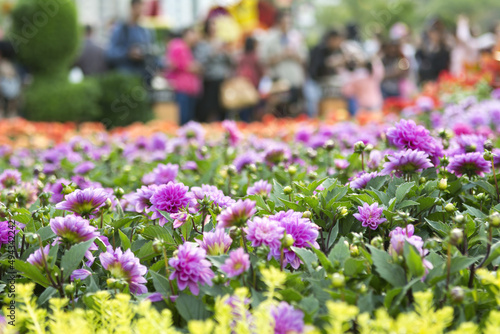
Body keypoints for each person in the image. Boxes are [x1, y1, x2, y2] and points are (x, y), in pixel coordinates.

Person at [260, 11, 307, 116]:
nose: (287, 25)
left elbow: (304, 58)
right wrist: (282, 55)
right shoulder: (269, 38)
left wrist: (293, 54)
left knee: (294, 112)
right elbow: (263, 60)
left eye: (289, 22)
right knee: (278, 112)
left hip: (295, 80)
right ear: (278, 22)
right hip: (278, 81)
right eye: (284, 22)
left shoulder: (296, 38)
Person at [106, 0, 156, 84]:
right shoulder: (120, 30)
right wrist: (128, 53)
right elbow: (110, 54)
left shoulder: (145, 31)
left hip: (143, 79)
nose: (141, 12)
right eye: (139, 8)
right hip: (125, 79)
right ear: (132, 8)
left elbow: (152, 53)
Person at [194, 17, 234, 122]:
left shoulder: (221, 42)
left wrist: (226, 53)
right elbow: (200, 62)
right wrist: (213, 52)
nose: (213, 28)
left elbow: (230, 62)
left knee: (223, 106)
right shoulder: (202, 44)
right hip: (210, 79)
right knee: (209, 107)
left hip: (222, 79)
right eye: (211, 25)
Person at [165, 27, 202, 125]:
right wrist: (190, 66)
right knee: (183, 118)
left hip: (190, 89)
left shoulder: (189, 48)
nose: (195, 37)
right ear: (186, 34)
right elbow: (171, 64)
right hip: (181, 88)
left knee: (189, 118)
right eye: (192, 33)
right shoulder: (178, 46)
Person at [235, 36, 263, 122]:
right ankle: (250, 121)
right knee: (252, 103)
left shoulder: (241, 56)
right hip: (253, 82)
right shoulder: (255, 56)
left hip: (242, 82)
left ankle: (243, 120)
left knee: (243, 103)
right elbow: (260, 69)